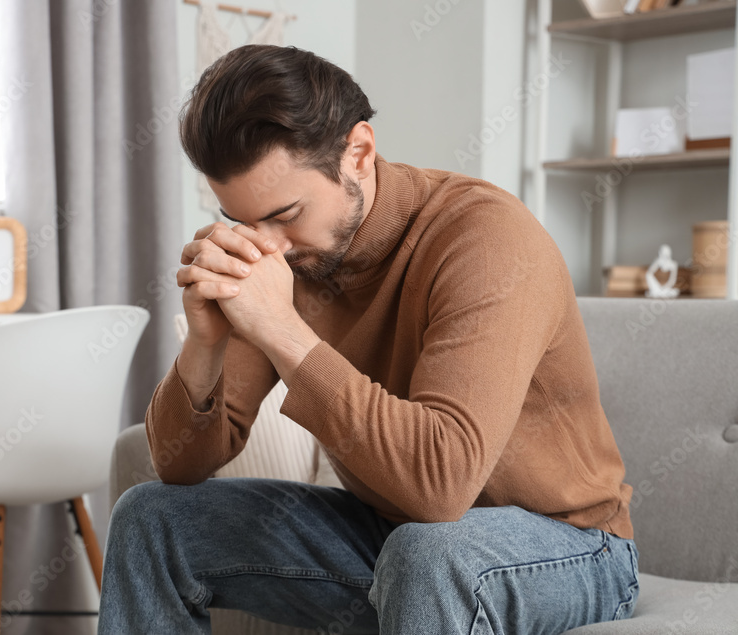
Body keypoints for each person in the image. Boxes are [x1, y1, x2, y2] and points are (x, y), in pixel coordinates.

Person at [97, 44, 639, 634]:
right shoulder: (295, 258)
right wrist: (203, 345)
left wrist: (281, 328)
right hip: (389, 535)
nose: (268, 245)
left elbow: (440, 487)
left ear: (358, 152)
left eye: (286, 213)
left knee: (429, 553)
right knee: (151, 518)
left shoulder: (487, 238)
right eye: (247, 223)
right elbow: (180, 468)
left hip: (569, 547)